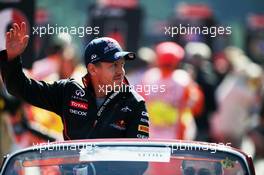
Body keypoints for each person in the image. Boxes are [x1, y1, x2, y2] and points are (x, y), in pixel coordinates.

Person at [0, 22, 149, 140]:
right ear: (92, 69)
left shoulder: (135, 103)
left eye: (122, 65)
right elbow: (20, 88)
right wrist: (12, 58)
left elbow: (138, 162)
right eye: (113, 65)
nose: (120, 71)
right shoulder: (68, 91)